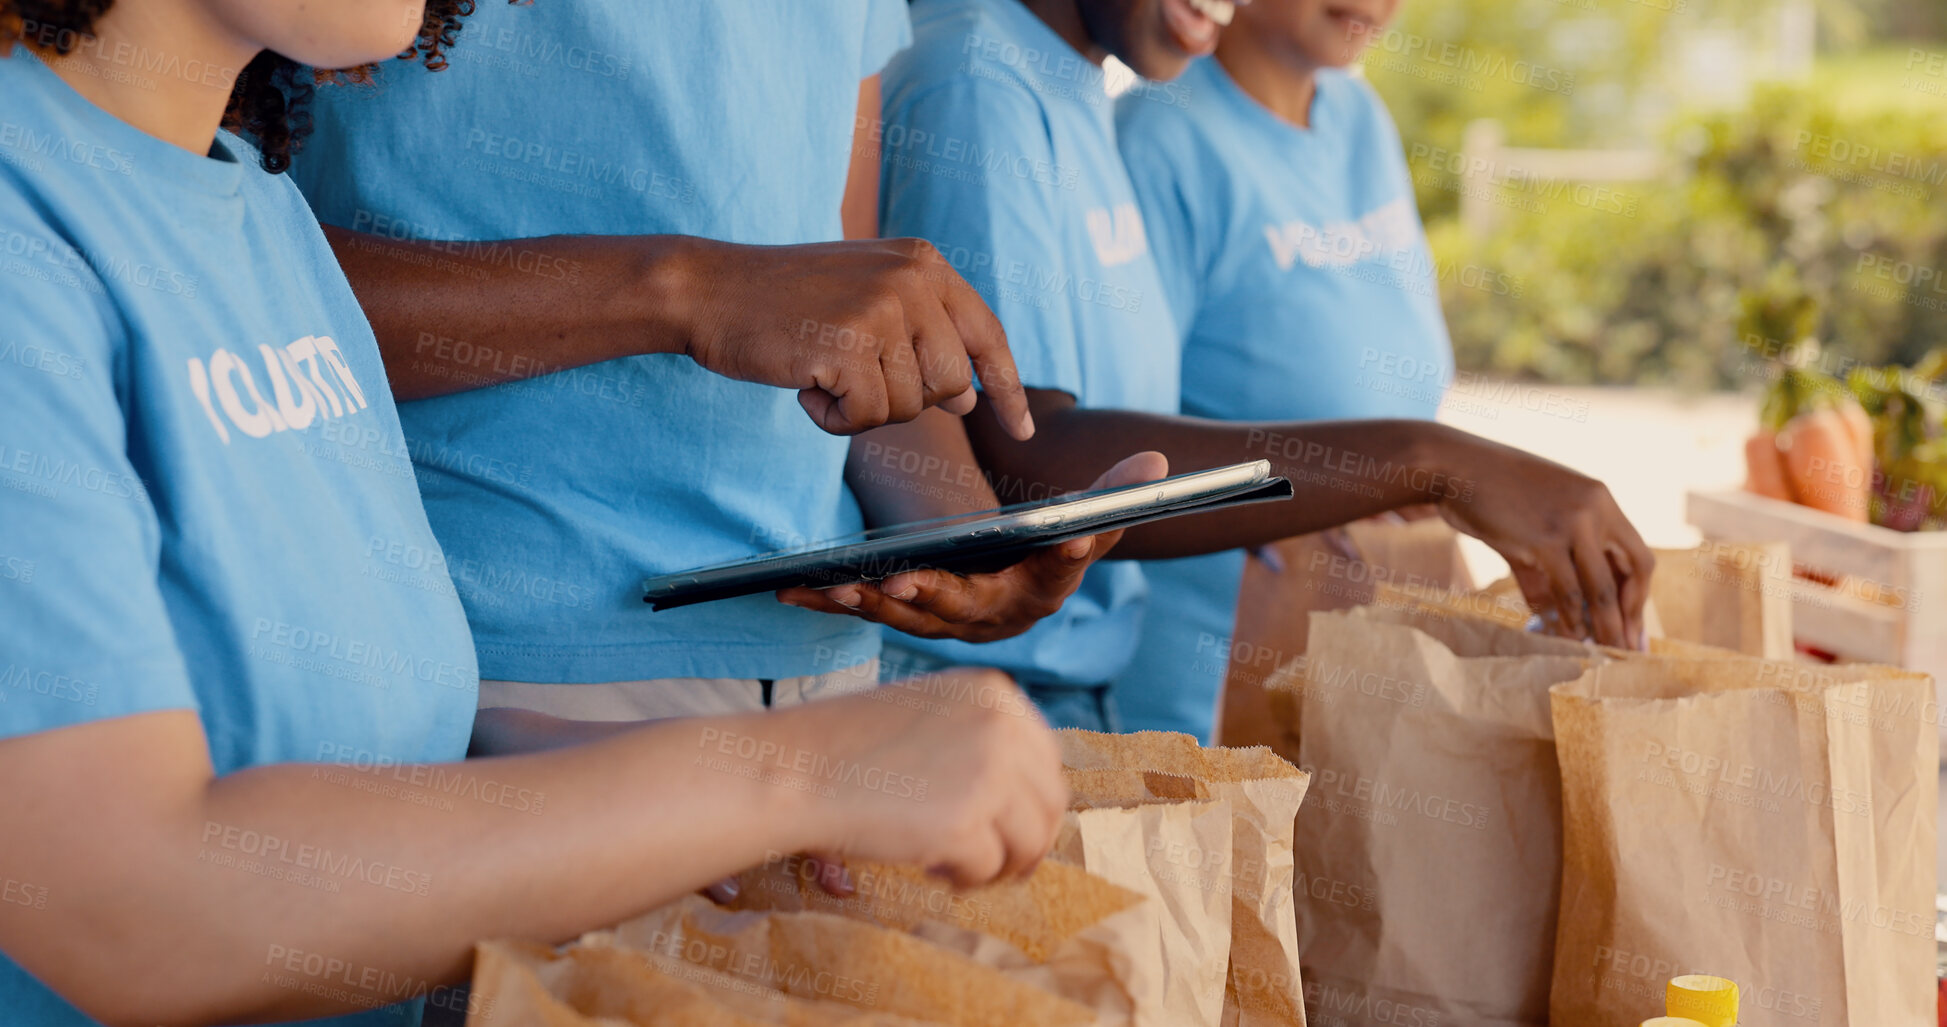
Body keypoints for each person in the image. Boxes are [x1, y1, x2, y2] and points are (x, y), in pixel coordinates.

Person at [0, 4, 1068, 1025]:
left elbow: (330, 714)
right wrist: (788, 775)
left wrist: (671, 811)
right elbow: (127, 911)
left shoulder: (252, 204)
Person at [287, 0, 1154, 736]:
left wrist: (963, 543)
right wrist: (685, 292)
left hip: (824, 670)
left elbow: (851, 292)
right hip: (493, 668)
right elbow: (229, 272)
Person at [814, 0, 1653, 733]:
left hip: (1059, 673)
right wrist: (1428, 463)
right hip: (994, 682)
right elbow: (1024, 463)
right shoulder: (977, 78)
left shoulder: (1066, 76)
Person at [1108, 0, 1452, 739]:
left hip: (1351, 653)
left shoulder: (1356, 113)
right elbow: (1106, 443)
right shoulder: (1158, 137)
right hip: (1196, 700)